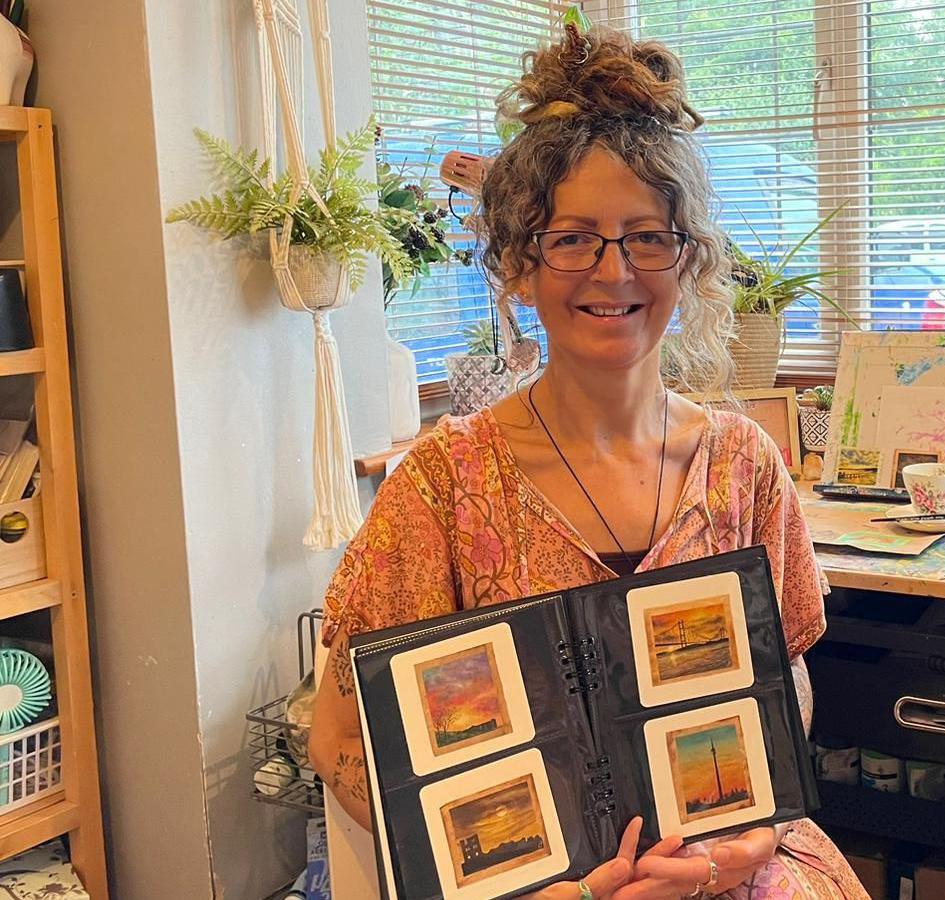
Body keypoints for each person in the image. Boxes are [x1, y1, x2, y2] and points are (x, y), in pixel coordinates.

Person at [307, 21, 868, 900]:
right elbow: (339, 737)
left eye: (647, 237)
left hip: (730, 874)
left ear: (688, 263)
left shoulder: (744, 464)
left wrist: (744, 844)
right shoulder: (444, 485)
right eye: (572, 239)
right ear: (519, 267)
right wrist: (521, 880)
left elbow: (781, 685)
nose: (613, 274)